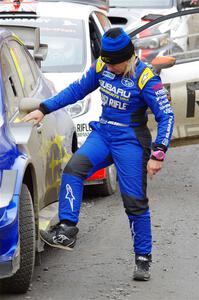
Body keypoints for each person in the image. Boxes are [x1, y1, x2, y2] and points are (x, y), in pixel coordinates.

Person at [22, 27, 174, 281]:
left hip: (131, 142)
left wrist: (158, 153)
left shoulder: (146, 77)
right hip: (103, 134)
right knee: (73, 170)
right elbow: (76, 90)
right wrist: (43, 109)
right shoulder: (101, 66)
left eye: (115, 63)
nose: (109, 67)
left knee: (134, 202)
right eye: (107, 61)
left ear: (129, 58)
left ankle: (143, 258)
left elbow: (166, 115)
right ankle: (67, 229)